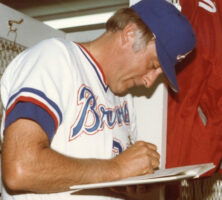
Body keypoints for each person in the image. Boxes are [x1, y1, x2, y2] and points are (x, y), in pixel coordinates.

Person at [0, 0, 195, 199]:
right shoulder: (54, 58)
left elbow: (100, 179)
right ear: (129, 34)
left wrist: (136, 182)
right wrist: (117, 168)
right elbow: (21, 168)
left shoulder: (124, 98)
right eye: (153, 65)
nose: (149, 81)